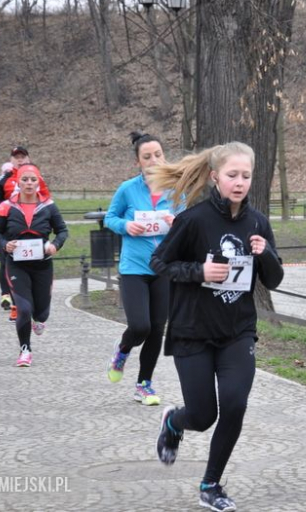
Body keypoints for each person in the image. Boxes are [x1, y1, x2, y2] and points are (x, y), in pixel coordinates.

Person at [149, 142, 283, 512]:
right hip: (192, 330)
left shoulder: (257, 223)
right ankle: (175, 422)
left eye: (245, 176)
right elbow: (160, 263)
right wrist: (199, 272)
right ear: (214, 177)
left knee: (235, 406)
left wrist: (266, 254)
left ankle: (211, 485)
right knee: (203, 416)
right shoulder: (193, 220)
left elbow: (273, 279)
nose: (239, 182)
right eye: (231, 175)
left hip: (237, 331)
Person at [104, 132, 183, 406]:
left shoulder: (176, 189)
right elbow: (109, 218)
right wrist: (126, 226)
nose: (153, 160)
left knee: (157, 329)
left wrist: (177, 223)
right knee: (140, 326)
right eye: (147, 157)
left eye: (158, 155)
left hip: (163, 267)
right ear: (138, 161)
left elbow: (186, 223)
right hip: (134, 267)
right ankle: (123, 349)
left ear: (165, 156)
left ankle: (144, 384)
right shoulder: (127, 189)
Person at [0, 164, 67, 367]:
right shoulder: (6, 206)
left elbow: (62, 231)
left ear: (38, 182)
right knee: (24, 309)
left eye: (33, 179)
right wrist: (4, 244)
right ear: (18, 182)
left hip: (42, 265)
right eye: (24, 179)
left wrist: (55, 245)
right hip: (17, 265)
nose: (29, 183)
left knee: (41, 312)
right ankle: (25, 350)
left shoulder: (49, 206)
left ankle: (40, 319)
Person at [0, 146, 44, 320]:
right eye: (16, 157)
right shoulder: (4, 179)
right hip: (8, 229)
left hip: (31, 228)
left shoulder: (36, 177)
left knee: (32, 265)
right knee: (8, 264)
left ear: (28, 158)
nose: (19, 160)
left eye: (22, 156)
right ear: (11, 160)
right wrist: (9, 207)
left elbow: (46, 200)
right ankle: (13, 302)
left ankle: (30, 302)